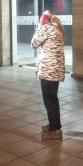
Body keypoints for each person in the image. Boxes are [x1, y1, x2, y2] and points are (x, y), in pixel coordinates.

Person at [31, 10, 65, 140]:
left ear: (45, 19)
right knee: (53, 99)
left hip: (48, 70)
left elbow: (34, 43)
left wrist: (40, 25)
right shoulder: (58, 28)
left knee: (49, 101)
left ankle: (55, 131)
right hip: (55, 70)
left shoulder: (46, 28)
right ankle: (54, 125)